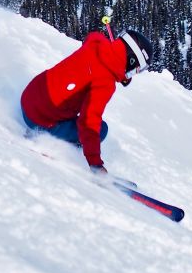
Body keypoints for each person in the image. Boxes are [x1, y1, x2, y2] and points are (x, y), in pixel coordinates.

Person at [20, 27, 149, 173]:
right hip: (39, 119)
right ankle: (48, 139)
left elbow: (93, 36)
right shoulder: (105, 82)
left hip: (29, 97)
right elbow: (89, 122)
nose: (132, 74)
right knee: (101, 130)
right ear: (131, 60)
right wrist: (95, 164)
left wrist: (118, 68)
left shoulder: (97, 42)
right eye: (136, 69)